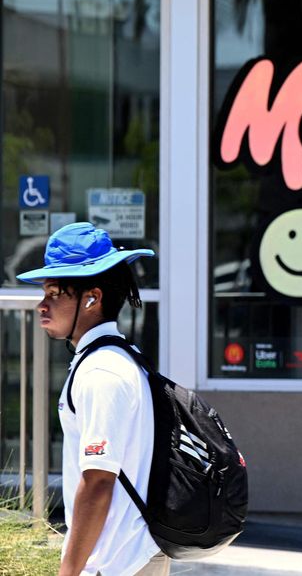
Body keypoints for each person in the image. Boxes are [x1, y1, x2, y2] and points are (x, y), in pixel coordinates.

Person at [18, 222, 164, 576]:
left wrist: (69, 571)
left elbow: (99, 482)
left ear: (92, 298)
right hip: (124, 556)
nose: (42, 305)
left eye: (55, 293)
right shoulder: (118, 356)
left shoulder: (102, 372)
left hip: (118, 562)